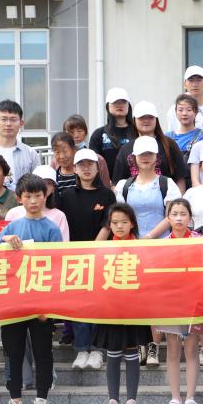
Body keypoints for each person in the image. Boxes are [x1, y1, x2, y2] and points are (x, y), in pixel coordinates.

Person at [0, 174, 64, 404]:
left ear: (46, 196)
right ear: (19, 198)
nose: (33, 201)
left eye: (38, 195)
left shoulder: (52, 228)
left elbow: (58, 267)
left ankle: (41, 399)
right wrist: (4, 239)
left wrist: (50, 304)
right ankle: (15, 400)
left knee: (43, 352)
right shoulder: (12, 226)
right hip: (13, 301)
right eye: (28, 196)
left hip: (40, 302)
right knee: (12, 352)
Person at [59, 149, 117, 371]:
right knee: (79, 305)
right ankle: (82, 349)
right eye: (81, 165)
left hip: (100, 255)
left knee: (98, 303)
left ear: (97, 167)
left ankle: (97, 350)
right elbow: (61, 225)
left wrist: (93, 249)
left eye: (90, 164)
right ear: (74, 169)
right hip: (73, 258)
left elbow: (108, 224)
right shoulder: (66, 196)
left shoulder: (107, 195)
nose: (86, 168)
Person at [94, 203, 147, 404]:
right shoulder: (104, 248)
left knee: (132, 353)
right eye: (114, 222)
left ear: (132, 223)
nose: (119, 226)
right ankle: (113, 401)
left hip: (134, 308)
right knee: (113, 353)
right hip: (111, 308)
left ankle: (131, 401)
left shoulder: (142, 247)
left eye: (124, 222)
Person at [158, 199, 203, 404]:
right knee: (172, 349)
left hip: (195, 301)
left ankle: (190, 399)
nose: (179, 218)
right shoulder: (161, 244)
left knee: (192, 349)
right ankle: (175, 399)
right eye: (174, 214)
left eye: (183, 214)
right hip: (170, 301)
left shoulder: (200, 241)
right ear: (168, 218)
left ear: (190, 217)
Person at [114, 136, 183, 238]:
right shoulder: (123, 186)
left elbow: (171, 216)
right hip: (132, 244)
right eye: (141, 154)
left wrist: (149, 237)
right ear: (134, 157)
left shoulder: (168, 184)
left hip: (163, 243)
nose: (145, 157)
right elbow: (120, 218)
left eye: (150, 153)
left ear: (157, 156)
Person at [111, 100, 187, 189]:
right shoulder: (126, 149)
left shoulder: (169, 144)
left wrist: (179, 198)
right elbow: (117, 183)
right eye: (141, 117)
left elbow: (180, 179)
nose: (146, 121)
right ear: (134, 120)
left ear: (156, 119)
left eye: (150, 117)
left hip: (166, 196)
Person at [90, 88, 138, 172]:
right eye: (115, 102)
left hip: (134, 179)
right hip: (107, 180)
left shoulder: (138, 132)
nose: (120, 105)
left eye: (123, 102)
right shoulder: (98, 134)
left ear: (128, 106)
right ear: (108, 106)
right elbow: (93, 163)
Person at [167, 94, 203, 187]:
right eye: (180, 110)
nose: (184, 113)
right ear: (175, 112)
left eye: (189, 110)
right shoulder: (167, 137)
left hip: (196, 183)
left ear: (195, 112)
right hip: (172, 184)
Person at [62, 116, 113, 186]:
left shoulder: (98, 159)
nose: (76, 135)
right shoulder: (59, 160)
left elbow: (106, 186)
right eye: (71, 132)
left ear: (85, 133)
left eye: (79, 131)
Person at [163, 65, 203, 134]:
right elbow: (172, 136)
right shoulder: (174, 110)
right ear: (184, 84)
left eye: (199, 80)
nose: (195, 84)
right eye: (191, 80)